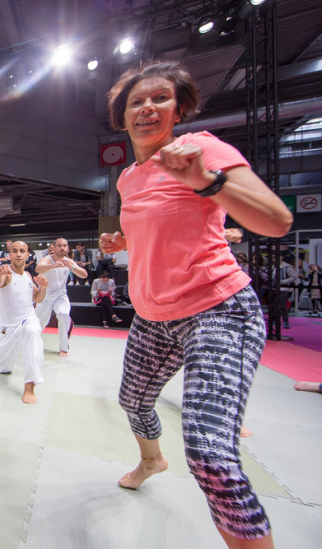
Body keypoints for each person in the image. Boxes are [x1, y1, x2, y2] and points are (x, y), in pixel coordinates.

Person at [102, 60, 293, 549]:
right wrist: (122, 244)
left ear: (179, 107)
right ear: (121, 117)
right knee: (132, 402)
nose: (146, 108)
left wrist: (207, 181)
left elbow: (276, 221)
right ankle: (151, 460)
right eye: (135, 102)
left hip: (218, 310)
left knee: (210, 455)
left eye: (159, 98)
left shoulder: (202, 150)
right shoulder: (127, 178)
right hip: (153, 317)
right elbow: (164, 229)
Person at [0, 241, 48, 404]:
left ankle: (29, 386)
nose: (18, 254)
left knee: (32, 332)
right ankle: (3, 363)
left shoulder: (28, 276)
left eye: (22, 251)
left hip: (28, 318)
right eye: (14, 251)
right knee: (3, 368)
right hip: (7, 328)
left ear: (27, 254)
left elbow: (37, 298)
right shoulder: (6, 274)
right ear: (9, 255)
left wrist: (43, 288)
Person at [34, 238, 87, 357]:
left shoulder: (69, 261)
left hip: (60, 295)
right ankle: (31, 342)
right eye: (59, 245)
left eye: (64, 245)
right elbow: (38, 269)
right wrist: (52, 266)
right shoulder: (48, 259)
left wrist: (72, 267)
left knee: (63, 315)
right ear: (54, 247)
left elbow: (84, 274)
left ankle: (64, 347)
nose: (62, 248)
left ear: (67, 248)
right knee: (39, 323)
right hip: (45, 295)